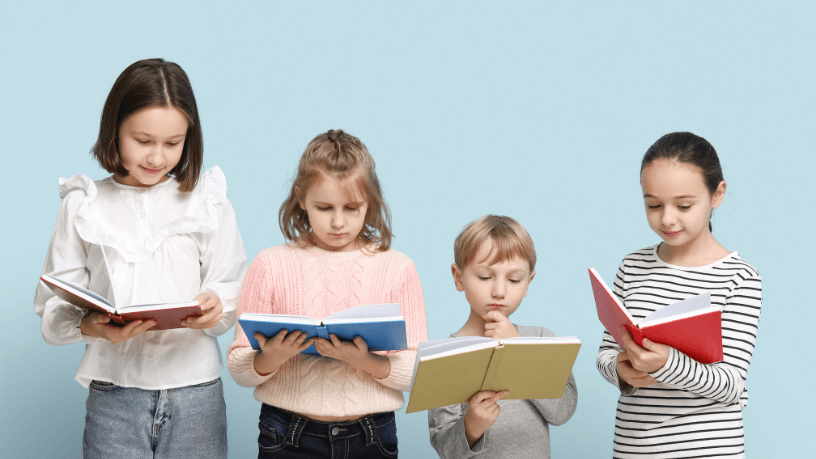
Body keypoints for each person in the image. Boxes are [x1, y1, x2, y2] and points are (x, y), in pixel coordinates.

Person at [33, 58, 247, 459]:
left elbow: (231, 284)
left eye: (172, 143)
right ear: (114, 130)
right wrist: (91, 326)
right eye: (142, 140)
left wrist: (217, 306)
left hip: (196, 393)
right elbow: (52, 307)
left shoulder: (207, 201)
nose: (156, 158)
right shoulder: (83, 204)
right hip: (114, 393)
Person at [227, 129, 428, 458]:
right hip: (287, 434)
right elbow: (238, 364)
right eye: (324, 207)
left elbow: (416, 369)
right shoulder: (270, 264)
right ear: (301, 198)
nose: (338, 222)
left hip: (371, 435)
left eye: (352, 208)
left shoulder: (398, 268)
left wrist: (363, 361)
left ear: (371, 203)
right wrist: (270, 358)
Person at [595, 132, 762, 458]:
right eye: (653, 205)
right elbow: (605, 353)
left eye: (684, 205)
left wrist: (666, 363)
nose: (667, 218)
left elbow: (731, 385)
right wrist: (620, 370)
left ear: (718, 194)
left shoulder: (740, 277)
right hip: (633, 448)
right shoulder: (632, 266)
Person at [428, 215, 577, 459]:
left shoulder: (541, 339)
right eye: (485, 277)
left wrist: (518, 347)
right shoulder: (445, 357)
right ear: (458, 277)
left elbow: (562, 412)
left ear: (528, 283)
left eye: (514, 279)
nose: (499, 291)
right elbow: (445, 449)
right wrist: (472, 426)